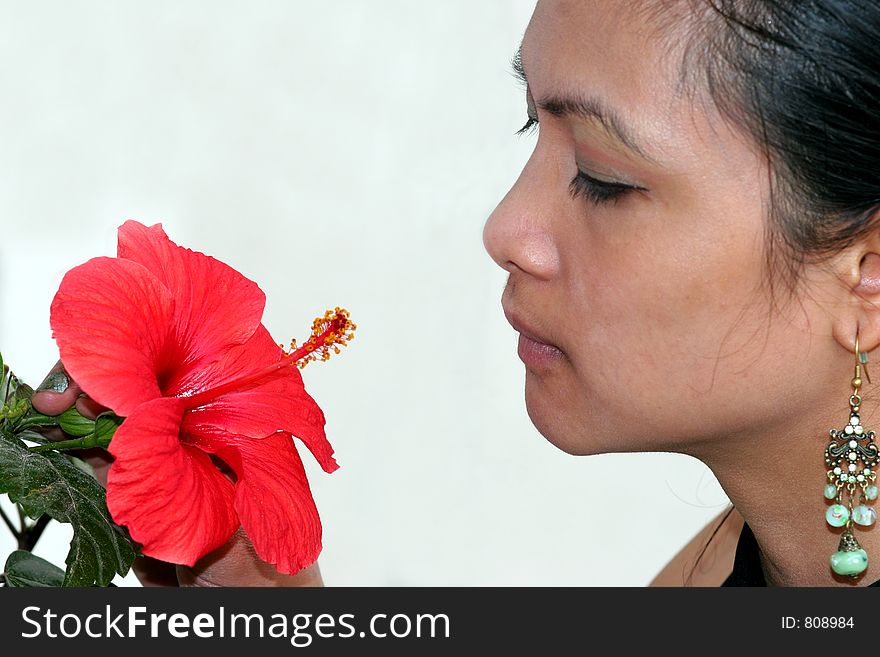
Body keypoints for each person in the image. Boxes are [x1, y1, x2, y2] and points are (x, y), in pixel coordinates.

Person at [32, 0, 880, 586]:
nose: (505, 228)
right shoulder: (732, 564)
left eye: (602, 177)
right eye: (530, 126)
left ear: (867, 272)